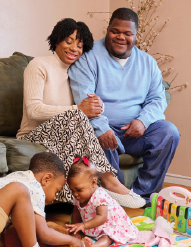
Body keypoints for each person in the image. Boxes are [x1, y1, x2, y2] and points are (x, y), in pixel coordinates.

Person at [17, 18, 143, 207]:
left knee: (89, 121)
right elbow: (34, 110)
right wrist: (78, 109)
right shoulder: (38, 65)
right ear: (57, 40)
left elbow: (85, 110)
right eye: (69, 41)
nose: (74, 49)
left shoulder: (75, 73)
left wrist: (96, 105)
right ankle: (109, 180)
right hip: (32, 136)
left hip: (61, 135)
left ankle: (90, 198)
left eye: (80, 45)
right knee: (77, 115)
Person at [69, 7, 180, 199]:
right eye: (115, 31)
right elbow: (85, 99)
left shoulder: (147, 63)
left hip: (135, 133)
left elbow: (157, 99)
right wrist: (101, 127)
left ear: (136, 35)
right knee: (96, 133)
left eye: (128, 33)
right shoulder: (88, 56)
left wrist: (143, 121)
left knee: (169, 132)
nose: (121, 37)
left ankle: (142, 196)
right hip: (105, 129)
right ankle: (118, 196)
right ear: (107, 29)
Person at [0, 152, 77, 247]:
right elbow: (44, 234)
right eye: (57, 191)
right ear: (46, 179)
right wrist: (72, 240)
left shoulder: (17, 176)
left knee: (17, 232)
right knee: (18, 189)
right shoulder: (34, 187)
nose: (55, 197)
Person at [66, 159, 139, 247]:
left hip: (109, 225)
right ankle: (91, 237)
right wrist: (76, 231)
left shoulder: (99, 196)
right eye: (72, 190)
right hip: (93, 225)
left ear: (93, 182)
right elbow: (76, 213)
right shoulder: (78, 196)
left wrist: (83, 225)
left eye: (79, 190)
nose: (74, 194)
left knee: (106, 238)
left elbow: (102, 217)